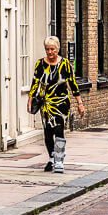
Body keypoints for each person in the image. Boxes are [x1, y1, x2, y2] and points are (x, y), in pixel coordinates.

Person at [27, 36, 84, 173]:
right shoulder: (40, 64)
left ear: (58, 49)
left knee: (59, 130)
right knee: (47, 133)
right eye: (47, 49)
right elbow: (35, 83)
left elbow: (73, 84)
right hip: (46, 104)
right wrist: (30, 100)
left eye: (52, 49)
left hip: (61, 103)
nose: (50, 52)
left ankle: (59, 161)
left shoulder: (65, 64)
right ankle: (52, 157)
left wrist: (79, 103)